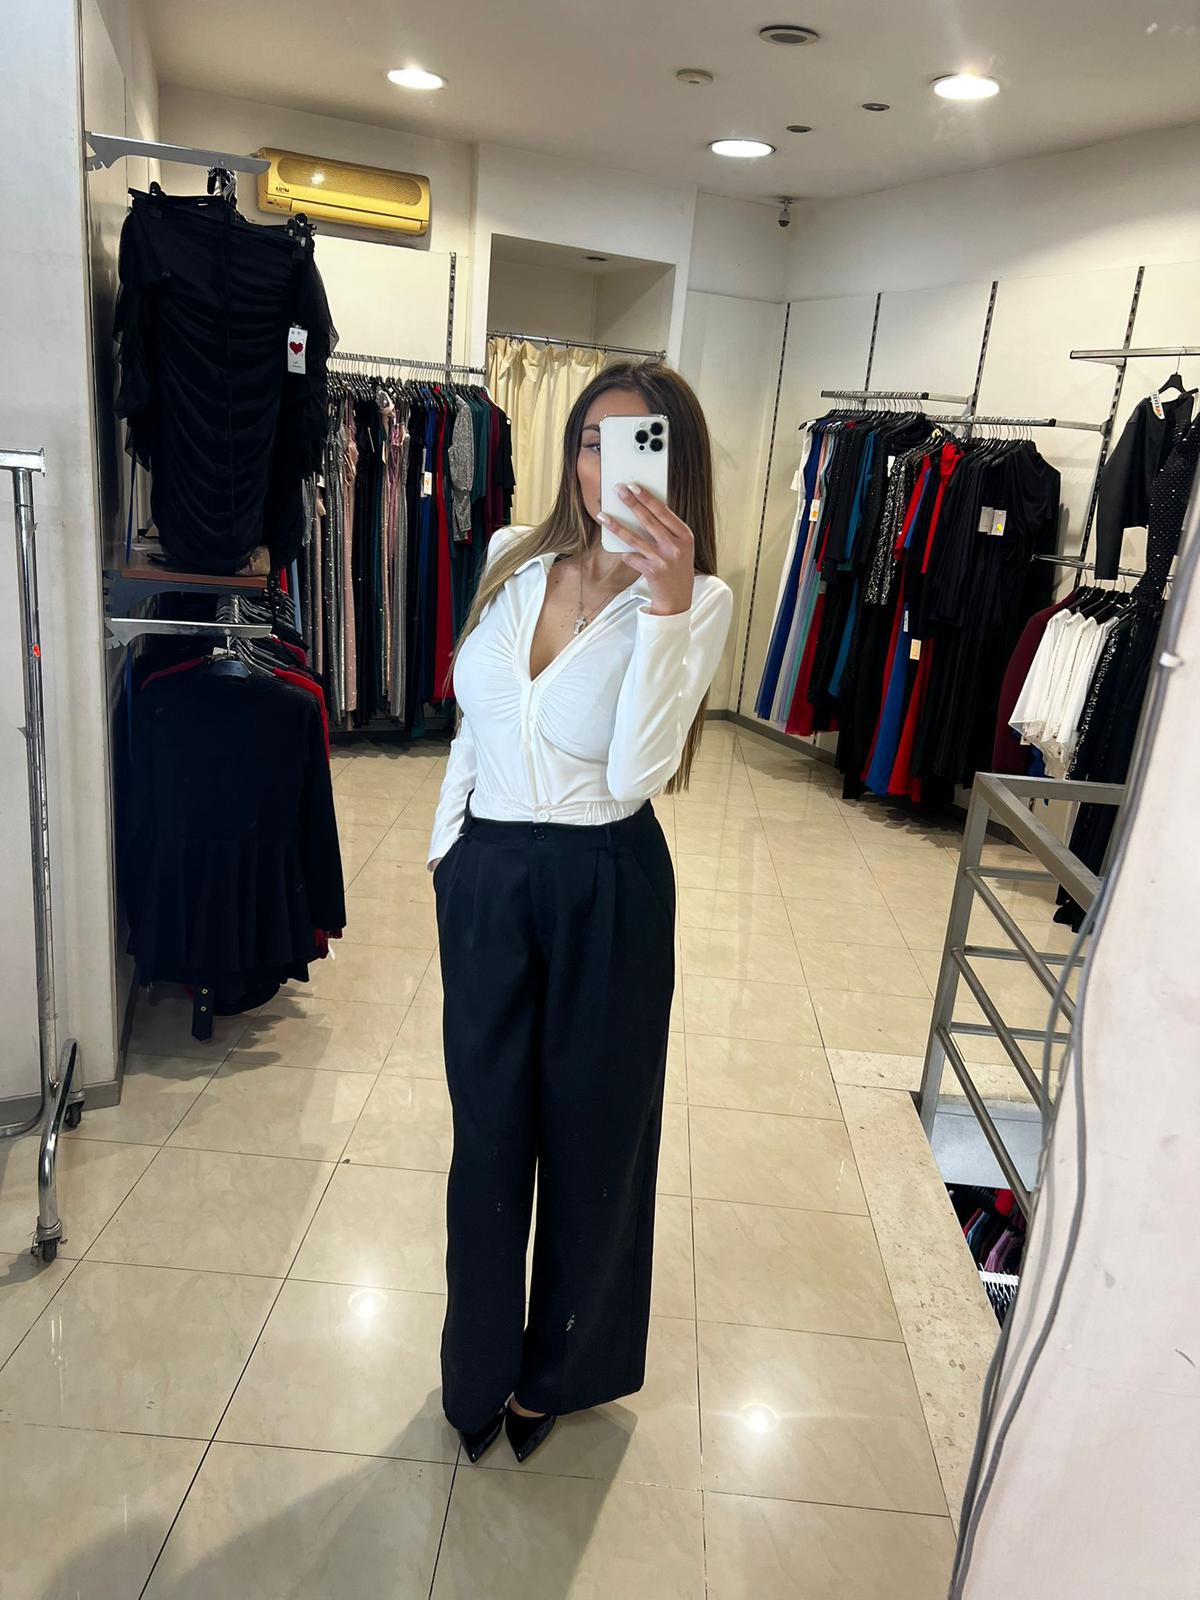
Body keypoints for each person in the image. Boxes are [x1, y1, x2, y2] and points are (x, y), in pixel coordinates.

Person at [426, 361, 733, 1463]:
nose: (606, 465)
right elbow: (474, 717)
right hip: (488, 874)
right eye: (591, 441)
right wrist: (448, 851)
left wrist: (665, 605)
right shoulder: (514, 555)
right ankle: (476, 1368)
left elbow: (644, 767)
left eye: (635, 442)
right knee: (487, 1138)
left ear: (675, 462)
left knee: (596, 1139)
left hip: (607, 878)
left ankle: (560, 1367)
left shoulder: (697, 600)